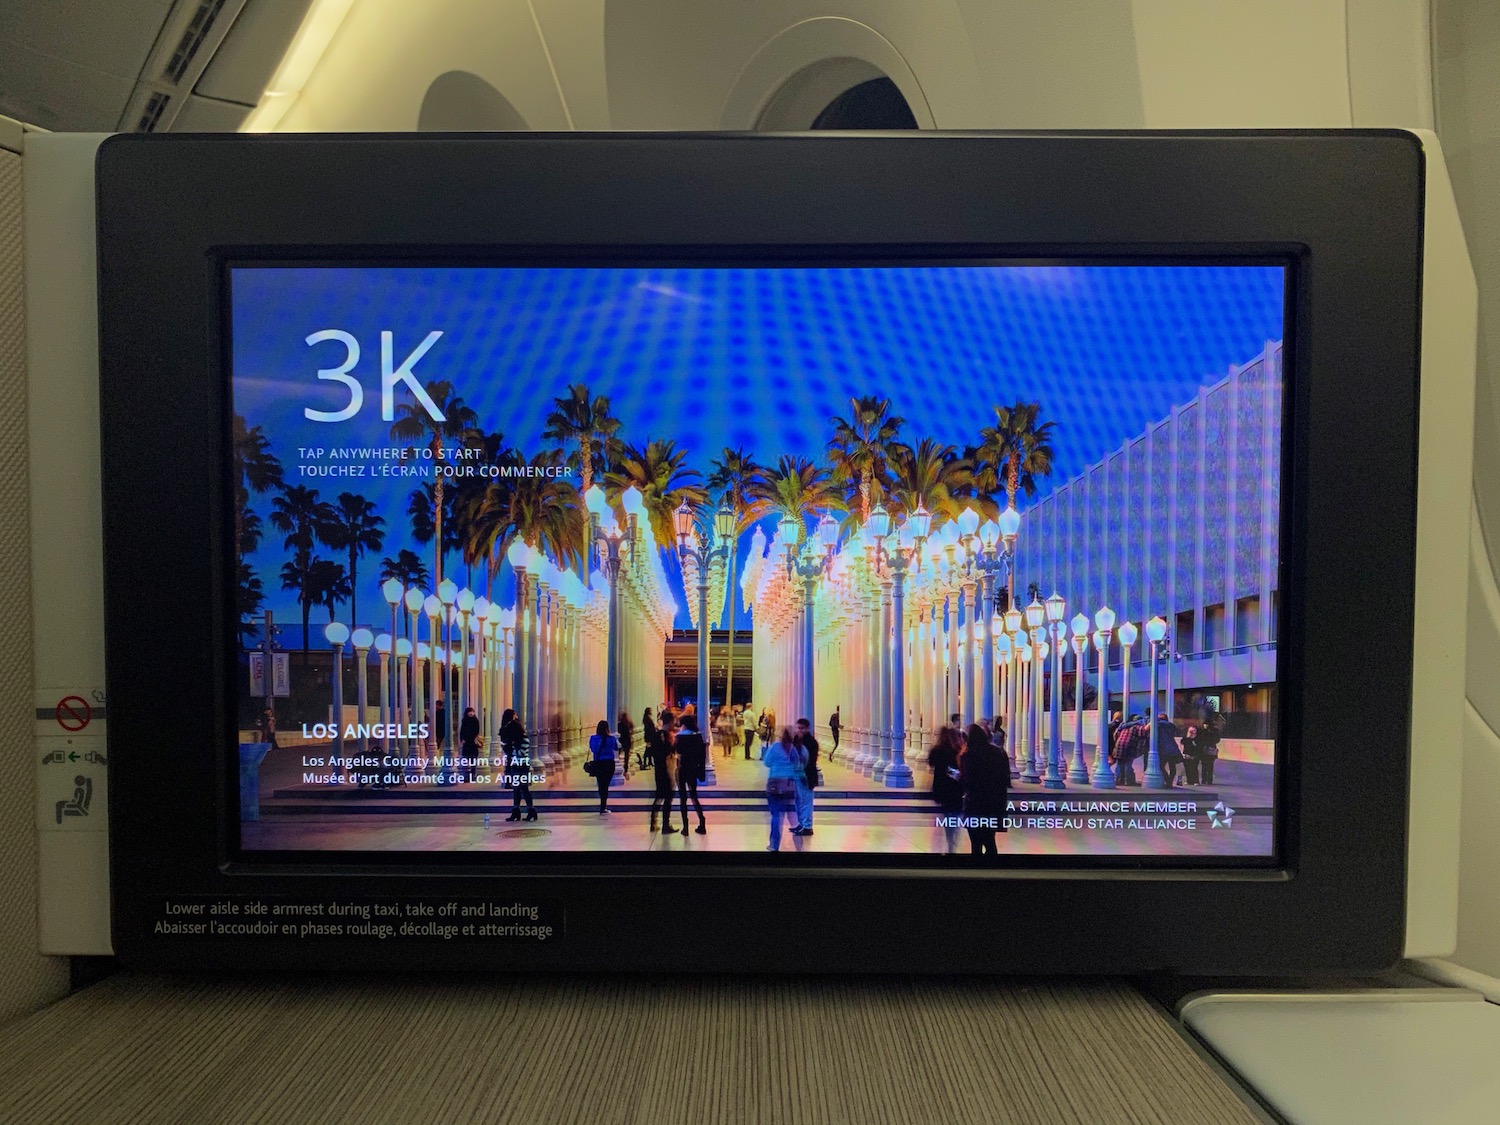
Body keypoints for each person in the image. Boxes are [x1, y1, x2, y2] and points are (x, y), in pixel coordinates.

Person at [960, 722, 1009, 857]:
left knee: (975, 843)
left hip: (975, 803)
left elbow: (969, 781)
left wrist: (959, 777)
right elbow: (1004, 778)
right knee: (990, 840)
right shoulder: (997, 752)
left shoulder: (969, 755)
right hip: (993, 803)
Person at [764, 726, 807, 851]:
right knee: (792, 816)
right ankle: (800, 846)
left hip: (774, 785)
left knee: (776, 816)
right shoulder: (792, 749)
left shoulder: (775, 747)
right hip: (789, 786)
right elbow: (797, 766)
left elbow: (766, 762)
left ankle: (774, 845)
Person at [927, 726, 965, 853]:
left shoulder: (937, 750)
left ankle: (949, 838)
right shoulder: (957, 751)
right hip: (954, 787)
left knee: (947, 813)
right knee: (954, 813)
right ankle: (952, 840)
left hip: (942, 786)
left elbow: (931, 763)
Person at [674, 712, 708, 835]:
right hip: (693, 769)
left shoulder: (680, 737)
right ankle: (702, 822)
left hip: (682, 768)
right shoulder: (698, 736)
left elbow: (677, 753)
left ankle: (685, 827)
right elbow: (702, 756)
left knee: (683, 798)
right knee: (694, 796)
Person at [499, 708, 536, 822]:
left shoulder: (521, 740)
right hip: (518, 765)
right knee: (518, 788)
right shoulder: (520, 739)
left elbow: (520, 753)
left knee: (523, 788)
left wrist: (512, 748)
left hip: (520, 764)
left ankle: (530, 811)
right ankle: (517, 811)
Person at [649, 714, 678, 834]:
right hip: (665, 769)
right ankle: (665, 824)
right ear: (670, 721)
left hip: (660, 769)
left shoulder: (658, 735)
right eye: (673, 722)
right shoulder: (663, 735)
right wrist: (674, 744)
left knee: (660, 796)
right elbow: (666, 751)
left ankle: (653, 822)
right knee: (668, 796)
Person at [793, 717, 820, 836]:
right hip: (797, 775)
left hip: (807, 776)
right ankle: (801, 823)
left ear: (807, 729)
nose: (799, 730)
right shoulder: (797, 741)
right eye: (798, 728)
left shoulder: (811, 742)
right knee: (799, 801)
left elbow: (810, 761)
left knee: (806, 801)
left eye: (802, 728)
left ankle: (807, 826)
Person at [586, 719, 618, 814]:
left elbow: (593, 749)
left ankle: (602, 806)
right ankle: (603, 806)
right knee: (606, 785)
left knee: (601, 784)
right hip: (609, 764)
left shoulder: (593, 738)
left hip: (599, 763)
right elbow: (616, 748)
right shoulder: (611, 739)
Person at [1156, 713, 1183, 787]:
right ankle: (1170, 782)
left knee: (1161, 766)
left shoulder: (1158, 725)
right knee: (1172, 766)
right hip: (1173, 748)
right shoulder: (1172, 726)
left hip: (1163, 748)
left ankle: (1167, 780)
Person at [458, 706, 481, 783]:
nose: (471, 713)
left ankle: (472, 775)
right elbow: (462, 731)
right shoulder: (465, 721)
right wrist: (462, 739)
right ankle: (468, 775)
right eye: (470, 711)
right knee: (468, 759)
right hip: (468, 743)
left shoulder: (475, 720)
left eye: (472, 711)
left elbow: (476, 731)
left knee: (472, 759)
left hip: (472, 743)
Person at [616, 710, 635, 780]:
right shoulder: (628, 723)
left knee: (617, 754)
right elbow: (632, 730)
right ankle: (625, 770)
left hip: (621, 741)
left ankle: (618, 767)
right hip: (627, 741)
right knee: (626, 757)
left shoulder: (620, 724)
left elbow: (619, 732)